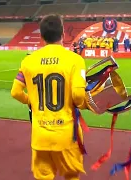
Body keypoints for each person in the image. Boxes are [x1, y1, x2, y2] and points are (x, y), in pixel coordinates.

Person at [11, 14, 87, 180]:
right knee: (71, 176)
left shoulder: (28, 61)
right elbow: (79, 96)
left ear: (41, 36)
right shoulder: (75, 60)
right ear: (63, 35)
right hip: (67, 134)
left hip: (40, 135)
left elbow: (15, 92)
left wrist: (30, 101)